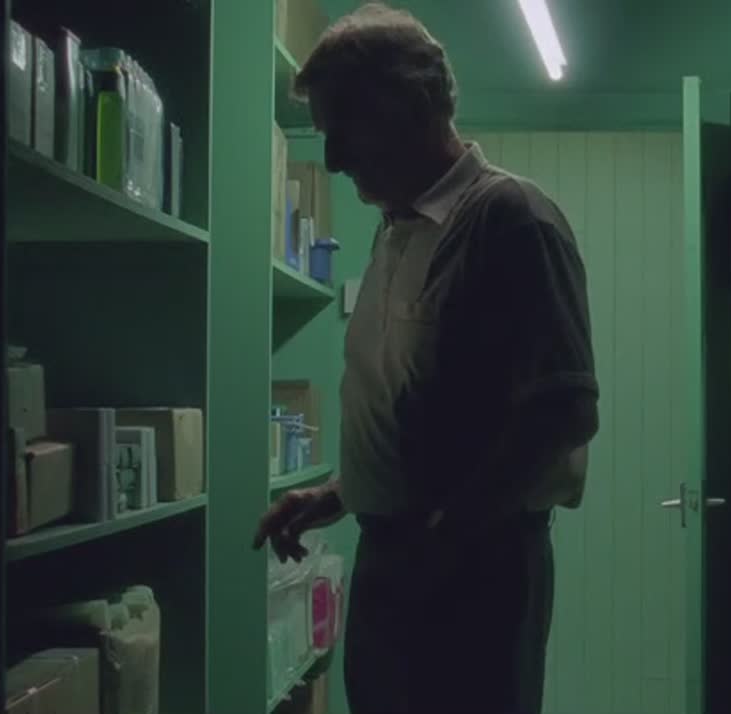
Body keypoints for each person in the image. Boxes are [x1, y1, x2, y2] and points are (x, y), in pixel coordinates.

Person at [251, 4, 598, 713]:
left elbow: (565, 410)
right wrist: (341, 494)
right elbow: (429, 410)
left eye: (344, 128)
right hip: (399, 560)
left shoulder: (510, 218)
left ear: (410, 107)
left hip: (474, 573)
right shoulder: (396, 230)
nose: (334, 158)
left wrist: (445, 537)